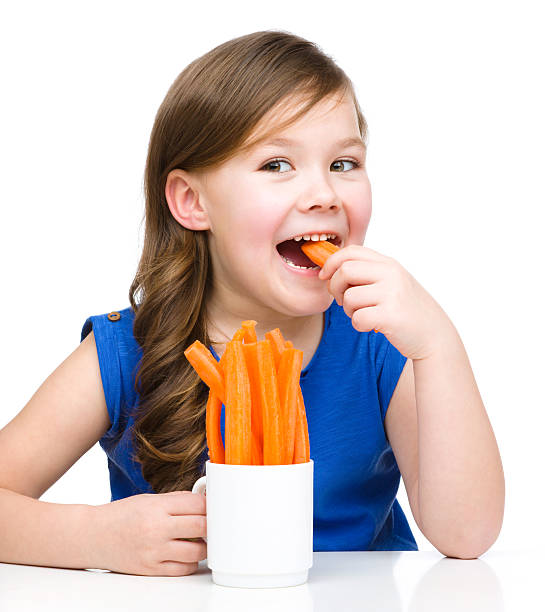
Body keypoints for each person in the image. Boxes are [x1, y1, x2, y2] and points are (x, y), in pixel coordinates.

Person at [0, 30, 504, 577]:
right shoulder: (124, 352)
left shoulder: (378, 343)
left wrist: (437, 344)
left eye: (343, 164)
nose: (325, 194)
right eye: (276, 165)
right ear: (192, 202)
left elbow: (466, 535)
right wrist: (91, 538)